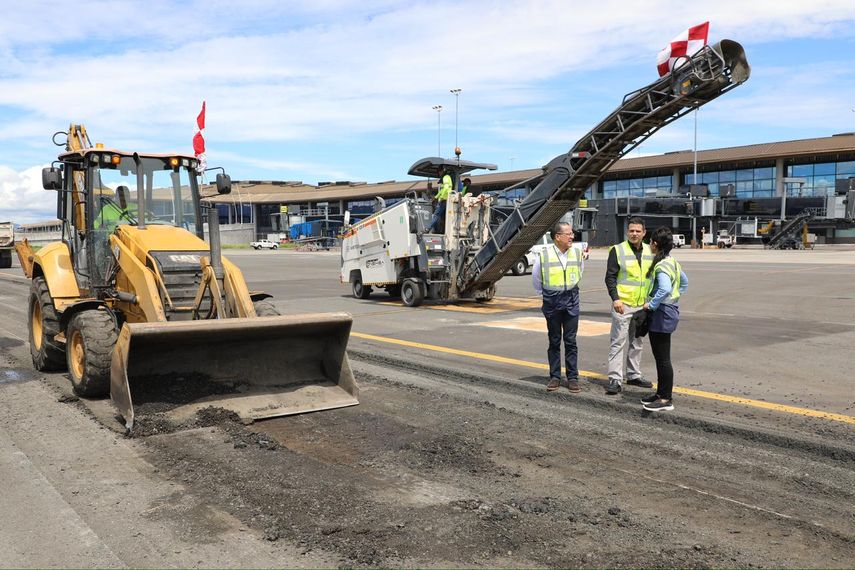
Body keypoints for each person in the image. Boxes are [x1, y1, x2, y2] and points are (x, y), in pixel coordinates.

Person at [604, 217, 654, 394]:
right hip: (623, 305)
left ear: (644, 233)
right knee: (618, 342)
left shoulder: (650, 251)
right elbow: (610, 277)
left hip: (642, 306)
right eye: (631, 231)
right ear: (627, 232)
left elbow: (652, 278)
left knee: (637, 342)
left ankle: (633, 375)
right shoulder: (617, 250)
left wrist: (649, 302)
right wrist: (615, 299)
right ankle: (615, 379)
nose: (634, 234)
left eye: (637, 231)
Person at [640, 227, 689, 412]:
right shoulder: (672, 262)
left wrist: (652, 304)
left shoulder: (661, 265)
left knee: (662, 359)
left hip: (661, 313)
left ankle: (665, 399)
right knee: (661, 357)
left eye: (651, 241)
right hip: (669, 310)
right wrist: (675, 298)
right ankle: (661, 394)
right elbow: (684, 283)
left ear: (655, 244)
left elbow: (665, 288)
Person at [533, 222, 584, 393]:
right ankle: (555, 376)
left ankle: (572, 378)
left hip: (571, 300)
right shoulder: (544, 255)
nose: (572, 236)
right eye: (568, 234)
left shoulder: (577, 253)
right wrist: (548, 293)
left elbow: (580, 272)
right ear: (557, 237)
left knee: (571, 341)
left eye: (572, 234)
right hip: (552, 302)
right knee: (554, 340)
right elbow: (537, 279)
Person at [427, 167, 453, 233]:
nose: (439, 173)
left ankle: (428, 229)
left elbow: (446, 188)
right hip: (446, 199)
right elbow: (442, 190)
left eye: (439, 172)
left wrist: (441, 198)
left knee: (436, 215)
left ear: (442, 171)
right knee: (441, 216)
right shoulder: (446, 178)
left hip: (444, 200)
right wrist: (436, 197)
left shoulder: (446, 177)